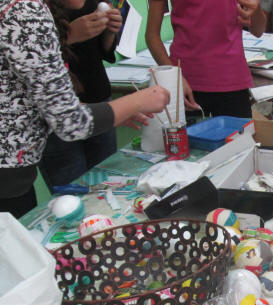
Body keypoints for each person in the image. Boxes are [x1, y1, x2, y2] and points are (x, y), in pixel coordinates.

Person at [0, 0, 170, 218]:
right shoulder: (26, 12)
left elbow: (45, 104)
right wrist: (138, 101)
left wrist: (111, 110)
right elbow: (70, 123)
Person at [39, 0, 125, 189]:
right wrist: (68, 37)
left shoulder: (89, 4)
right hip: (57, 112)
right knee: (71, 193)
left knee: (106, 186)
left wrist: (109, 31)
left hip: (98, 97)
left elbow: (103, 51)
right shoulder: (32, 10)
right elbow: (34, 57)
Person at [145, 0, 267, 119]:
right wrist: (174, 76)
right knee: (187, 133)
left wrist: (256, 10)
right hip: (186, 83)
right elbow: (151, 35)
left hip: (231, 80)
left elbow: (258, 30)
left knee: (238, 133)